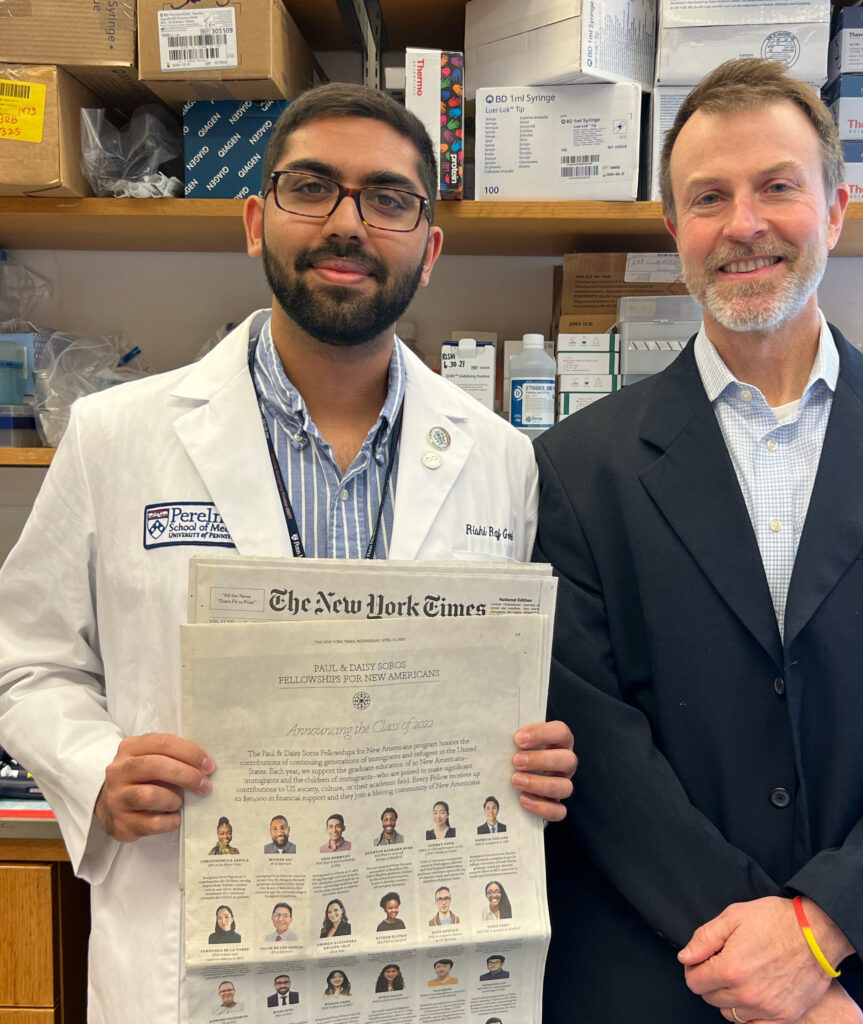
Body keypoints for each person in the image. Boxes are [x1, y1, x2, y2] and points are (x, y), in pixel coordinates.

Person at [0, 81, 577, 1024]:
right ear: (254, 219)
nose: (347, 223)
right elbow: (25, 660)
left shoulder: (502, 459)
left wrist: (535, 754)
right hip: (194, 946)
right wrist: (95, 765)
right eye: (312, 187)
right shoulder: (115, 437)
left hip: (419, 956)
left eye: (388, 199)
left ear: (428, 250)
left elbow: (506, 688)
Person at [534, 57, 863, 1024]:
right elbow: (596, 739)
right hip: (652, 971)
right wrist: (769, 965)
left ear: (836, 210)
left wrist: (823, 936)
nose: (744, 224)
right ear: (676, 232)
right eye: (709, 197)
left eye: (777, 187)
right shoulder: (575, 464)